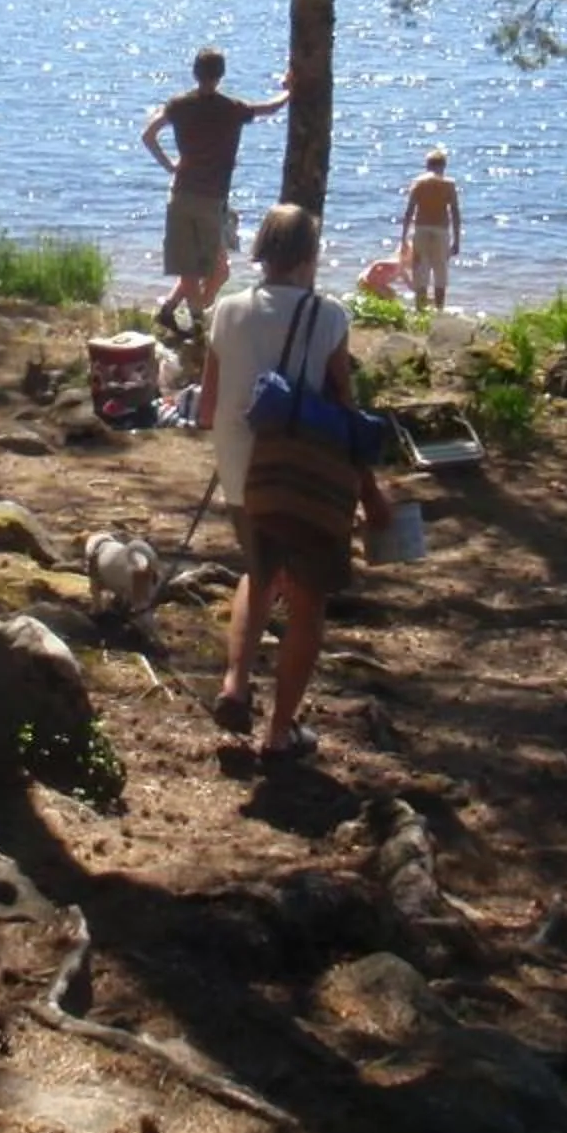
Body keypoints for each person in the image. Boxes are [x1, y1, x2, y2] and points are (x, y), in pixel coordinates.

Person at [198, 203, 390, 764]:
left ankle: (235, 683)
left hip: (242, 473)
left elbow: (208, 407)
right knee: (306, 603)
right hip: (305, 477)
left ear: (261, 252)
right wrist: (371, 493)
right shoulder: (328, 316)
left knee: (259, 576)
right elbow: (345, 414)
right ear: (310, 256)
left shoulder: (225, 311)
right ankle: (280, 736)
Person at [140, 48, 292, 343]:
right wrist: (289, 92)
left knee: (202, 267)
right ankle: (198, 325)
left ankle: (174, 311)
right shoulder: (230, 108)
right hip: (211, 199)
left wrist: (170, 165)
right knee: (210, 268)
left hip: (182, 193)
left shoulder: (179, 105)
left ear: (195, 73)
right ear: (220, 75)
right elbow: (270, 109)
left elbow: (149, 135)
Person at [397, 147, 463, 310]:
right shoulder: (449, 184)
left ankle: (420, 312)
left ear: (427, 166)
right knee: (440, 273)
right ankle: (439, 311)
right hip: (441, 231)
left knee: (420, 272)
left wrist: (404, 238)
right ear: (443, 166)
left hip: (421, 230)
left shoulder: (418, 183)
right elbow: (455, 213)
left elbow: (409, 211)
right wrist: (456, 240)